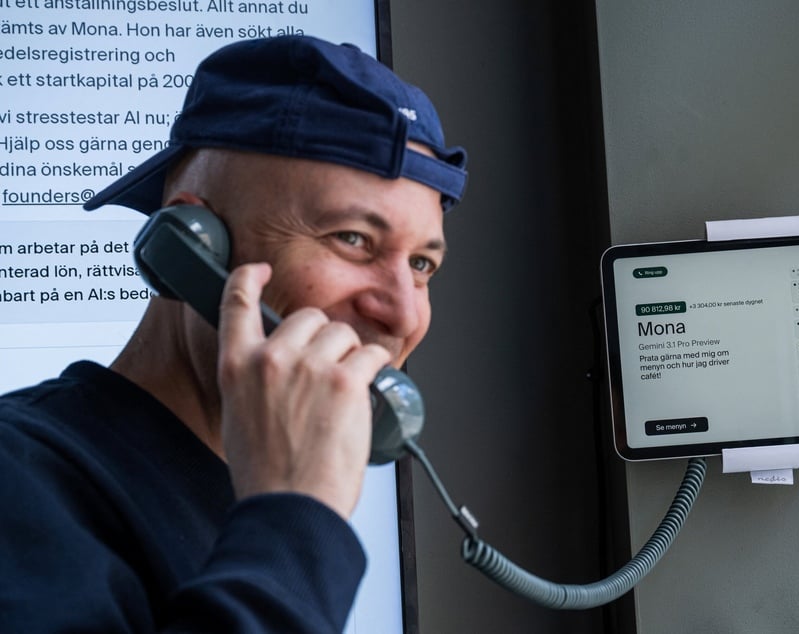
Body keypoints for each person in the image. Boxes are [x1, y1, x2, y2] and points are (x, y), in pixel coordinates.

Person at [0, 35, 467, 632]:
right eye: (352, 239)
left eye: (422, 264)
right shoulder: (20, 484)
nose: (402, 314)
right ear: (193, 245)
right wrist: (296, 519)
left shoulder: (252, 501)